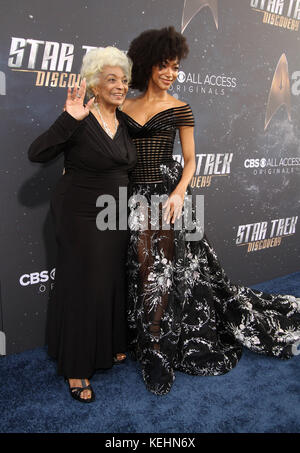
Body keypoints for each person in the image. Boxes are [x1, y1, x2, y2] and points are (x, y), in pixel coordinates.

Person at [121, 26, 300, 396]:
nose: (170, 73)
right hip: (133, 197)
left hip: (167, 194)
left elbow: (190, 161)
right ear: (146, 65)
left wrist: (178, 194)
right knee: (142, 272)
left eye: (175, 67)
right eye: (163, 65)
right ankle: (147, 340)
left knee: (162, 272)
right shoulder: (123, 105)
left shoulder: (180, 108)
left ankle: (158, 352)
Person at [28, 47, 136, 402]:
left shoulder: (123, 123)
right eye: (111, 80)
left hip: (115, 213)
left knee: (110, 279)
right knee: (82, 284)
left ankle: (108, 345)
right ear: (93, 83)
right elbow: (37, 153)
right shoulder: (79, 118)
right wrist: (68, 120)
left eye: (123, 80)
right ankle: (76, 366)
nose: (120, 86)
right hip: (79, 213)